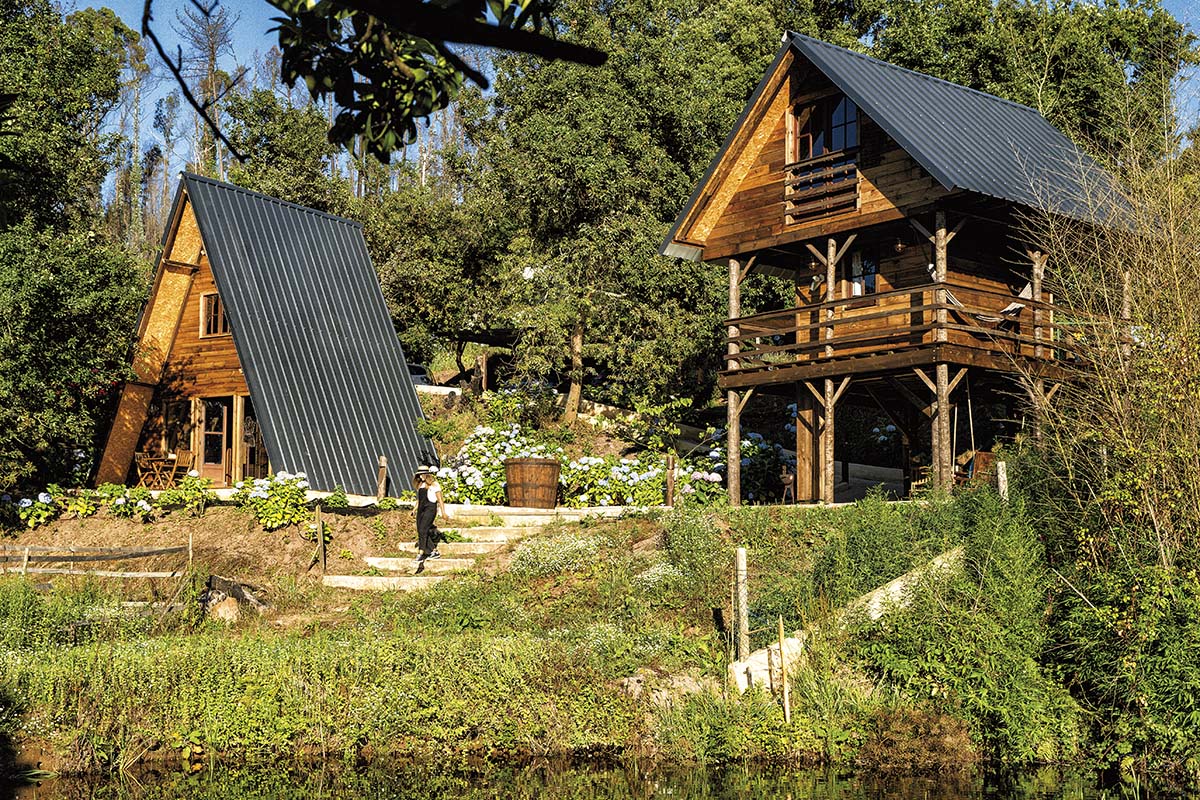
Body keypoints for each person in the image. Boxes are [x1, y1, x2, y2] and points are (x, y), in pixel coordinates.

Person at [414, 465, 447, 569]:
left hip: (430, 509)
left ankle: (421, 552)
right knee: (421, 530)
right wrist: (414, 509)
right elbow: (419, 500)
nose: (421, 476)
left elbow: (440, 499)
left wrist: (443, 512)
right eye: (419, 475)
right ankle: (434, 551)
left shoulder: (434, 485)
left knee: (424, 528)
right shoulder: (420, 485)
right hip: (421, 510)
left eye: (422, 474)